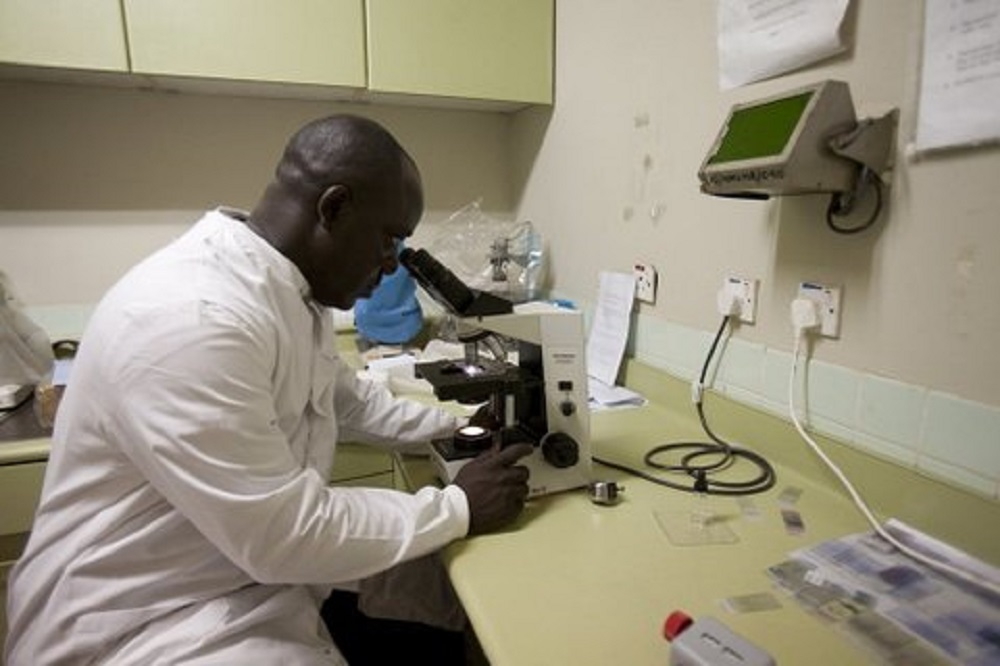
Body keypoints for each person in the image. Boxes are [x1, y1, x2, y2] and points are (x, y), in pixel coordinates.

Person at [3, 114, 532, 665]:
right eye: (390, 238)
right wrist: (457, 505)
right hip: (140, 617)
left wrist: (460, 429)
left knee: (452, 587)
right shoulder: (192, 319)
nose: (391, 263)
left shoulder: (289, 290)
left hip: (232, 569)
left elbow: (345, 398)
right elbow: (283, 534)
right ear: (334, 208)